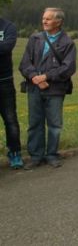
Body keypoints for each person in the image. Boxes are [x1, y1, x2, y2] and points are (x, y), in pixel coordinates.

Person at [19, 8, 76, 169]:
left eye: (48, 19)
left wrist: (46, 77)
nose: (44, 21)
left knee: (55, 125)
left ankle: (52, 154)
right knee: (34, 123)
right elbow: (24, 63)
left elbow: (68, 68)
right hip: (34, 88)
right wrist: (35, 77)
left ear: (58, 22)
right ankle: (36, 156)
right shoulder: (35, 38)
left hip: (55, 90)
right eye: (44, 18)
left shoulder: (67, 43)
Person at [0, 17, 23, 169]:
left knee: (10, 120)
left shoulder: (8, 26)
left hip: (4, 81)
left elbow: (6, 47)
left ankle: (15, 153)